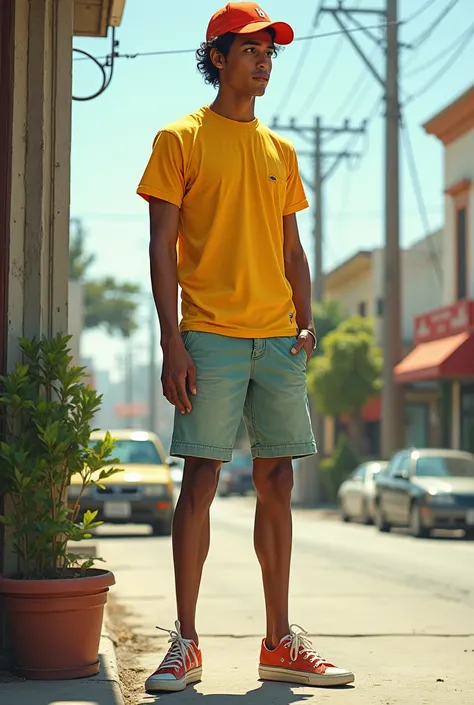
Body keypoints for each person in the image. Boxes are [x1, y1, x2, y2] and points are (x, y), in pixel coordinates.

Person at [137, 1, 354, 693]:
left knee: (278, 481)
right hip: (210, 335)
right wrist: (172, 341)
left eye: (271, 52)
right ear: (219, 56)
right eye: (252, 49)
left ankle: (279, 642)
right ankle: (187, 644)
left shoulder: (280, 151)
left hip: (278, 340)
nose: (264, 60)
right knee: (200, 479)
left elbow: (293, 247)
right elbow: (161, 246)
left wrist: (307, 319)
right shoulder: (180, 138)